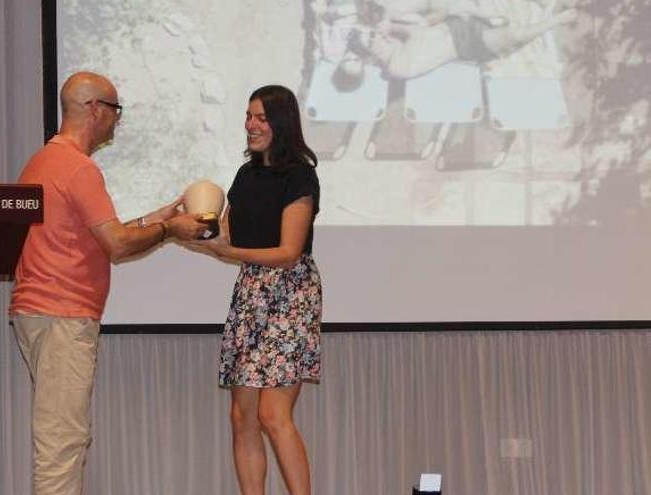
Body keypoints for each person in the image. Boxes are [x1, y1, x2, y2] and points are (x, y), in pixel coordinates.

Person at [9, 71, 207, 495]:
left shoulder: (43, 161)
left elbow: (98, 236)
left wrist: (158, 219)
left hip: (42, 311)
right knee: (63, 443)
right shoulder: (78, 168)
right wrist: (170, 230)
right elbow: (117, 245)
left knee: (61, 437)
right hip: (62, 314)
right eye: (116, 110)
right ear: (95, 109)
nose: (118, 120)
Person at [190, 85, 322, 495]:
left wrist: (228, 250)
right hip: (251, 294)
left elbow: (288, 252)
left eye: (260, 118)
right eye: (248, 117)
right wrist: (195, 223)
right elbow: (226, 230)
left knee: (272, 414)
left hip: (290, 294)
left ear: (281, 123)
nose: (251, 125)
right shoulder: (246, 174)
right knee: (241, 415)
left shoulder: (299, 174)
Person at [345, 5, 576, 79]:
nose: (378, 36)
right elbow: (421, 37)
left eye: (373, 33)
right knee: (513, 36)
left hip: (458, 20)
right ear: (369, 56)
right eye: (371, 40)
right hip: (469, 43)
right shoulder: (396, 66)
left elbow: (424, 25)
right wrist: (394, 28)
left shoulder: (392, 43)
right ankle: (559, 19)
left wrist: (391, 25)